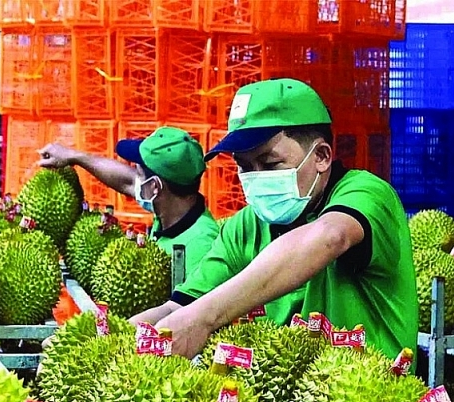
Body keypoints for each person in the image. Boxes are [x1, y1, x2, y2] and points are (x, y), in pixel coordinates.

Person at [130, 78, 418, 362]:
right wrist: (117, 339)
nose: (256, 177)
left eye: (270, 164)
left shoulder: (367, 194)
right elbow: (177, 308)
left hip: (368, 399)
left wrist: (204, 317)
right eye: (245, 167)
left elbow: (331, 236)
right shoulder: (244, 227)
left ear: (321, 156)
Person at [36, 126, 220, 270]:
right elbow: (126, 181)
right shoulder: (173, 207)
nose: (135, 179)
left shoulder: (203, 246)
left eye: (139, 173)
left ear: (154, 187)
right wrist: (74, 156)